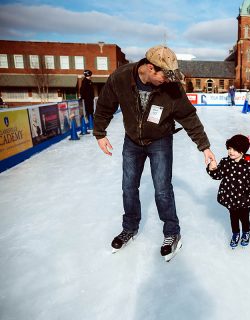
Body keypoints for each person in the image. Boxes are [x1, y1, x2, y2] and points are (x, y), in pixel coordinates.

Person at [93, 45, 216, 261]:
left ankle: (171, 233)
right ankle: (129, 227)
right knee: (128, 187)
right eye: (165, 75)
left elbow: (188, 117)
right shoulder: (121, 77)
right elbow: (105, 105)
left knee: (162, 189)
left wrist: (204, 146)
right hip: (132, 141)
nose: (168, 80)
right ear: (150, 68)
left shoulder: (172, 87)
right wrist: (100, 133)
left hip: (160, 140)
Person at [207, 134, 250, 248]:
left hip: (245, 199)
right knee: (233, 218)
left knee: (245, 218)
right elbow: (218, 175)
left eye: (234, 149)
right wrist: (212, 168)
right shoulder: (226, 162)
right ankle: (235, 234)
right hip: (230, 198)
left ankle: (246, 233)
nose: (231, 152)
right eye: (229, 148)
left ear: (242, 151)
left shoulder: (248, 164)